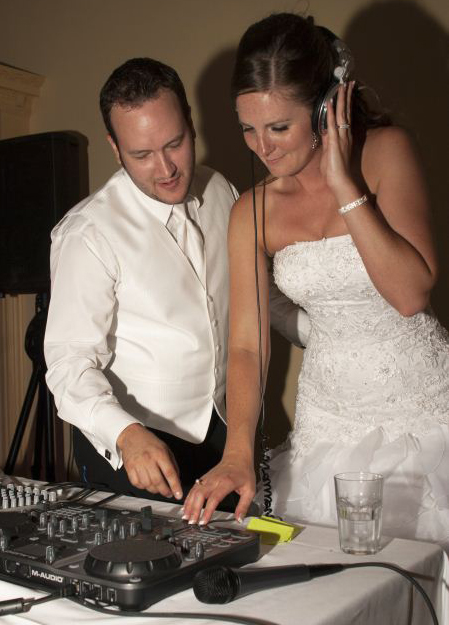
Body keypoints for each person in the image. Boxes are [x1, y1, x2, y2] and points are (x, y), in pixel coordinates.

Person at [183, 13, 449, 551]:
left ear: (327, 107)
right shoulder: (250, 212)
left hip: (423, 413)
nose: (263, 147)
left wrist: (343, 184)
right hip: (326, 421)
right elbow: (246, 344)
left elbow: (410, 294)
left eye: (279, 126)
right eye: (248, 128)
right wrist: (237, 451)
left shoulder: (386, 153)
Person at [44, 57, 305, 509]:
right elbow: (68, 364)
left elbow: (258, 300)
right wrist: (125, 434)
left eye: (175, 143)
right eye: (141, 155)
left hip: (223, 439)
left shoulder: (222, 192)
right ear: (114, 146)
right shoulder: (88, 233)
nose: (165, 168)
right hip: (134, 451)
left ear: (191, 123)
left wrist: (329, 333)